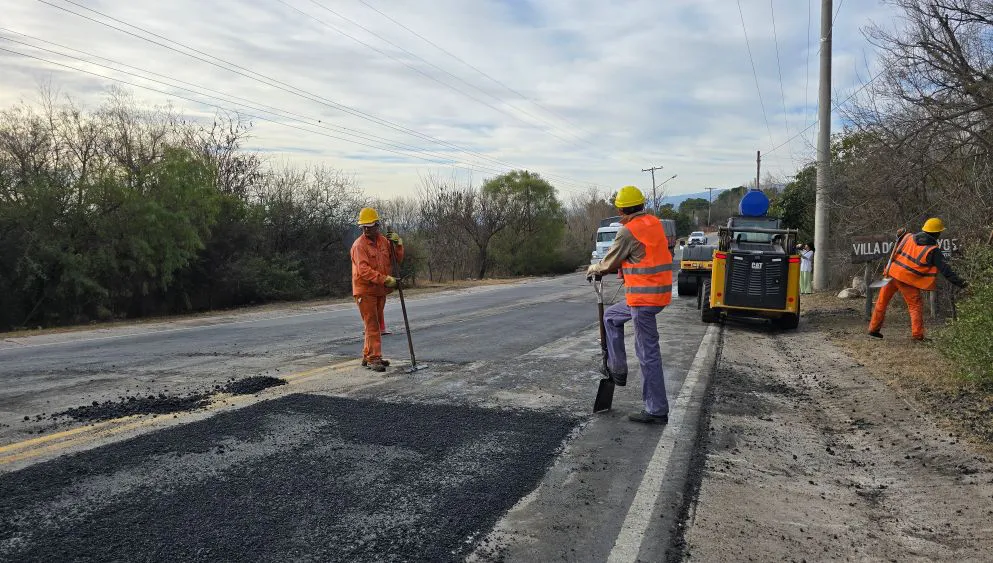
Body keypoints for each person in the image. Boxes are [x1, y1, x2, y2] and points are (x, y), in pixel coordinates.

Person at [586, 185, 673, 425]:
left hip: (644, 300)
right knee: (611, 317)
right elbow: (639, 256)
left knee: (648, 353)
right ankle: (618, 369)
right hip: (657, 295)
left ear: (623, 209)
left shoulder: (627, 231)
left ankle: (656, 410)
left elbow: (608, 262)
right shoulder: (653, 223)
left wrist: (594, 269)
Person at [868, 218, 967, 341]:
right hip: (906, 280)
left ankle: (873, 329)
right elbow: (947, 272)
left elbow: (897, 248)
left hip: (891, 274)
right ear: (937, 233)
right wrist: (963, 284)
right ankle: (917, 335)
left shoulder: (908, 236)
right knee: (915, 306)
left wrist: (899, 235)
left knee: (881, 302)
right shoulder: (933, 250)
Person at [351, 207, 404, 372]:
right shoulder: (359, 246)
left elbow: (397, 260)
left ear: (377, 225)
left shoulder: (383, 241)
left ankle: (368, 355)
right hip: (365, 291)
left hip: (380, 290)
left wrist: (398, 244)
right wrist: (385, 279)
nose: (366, 229)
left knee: (372, 325)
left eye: (370, 225)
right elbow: (363, 271)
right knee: (372, 324)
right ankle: (375, 359)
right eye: (364, 226)